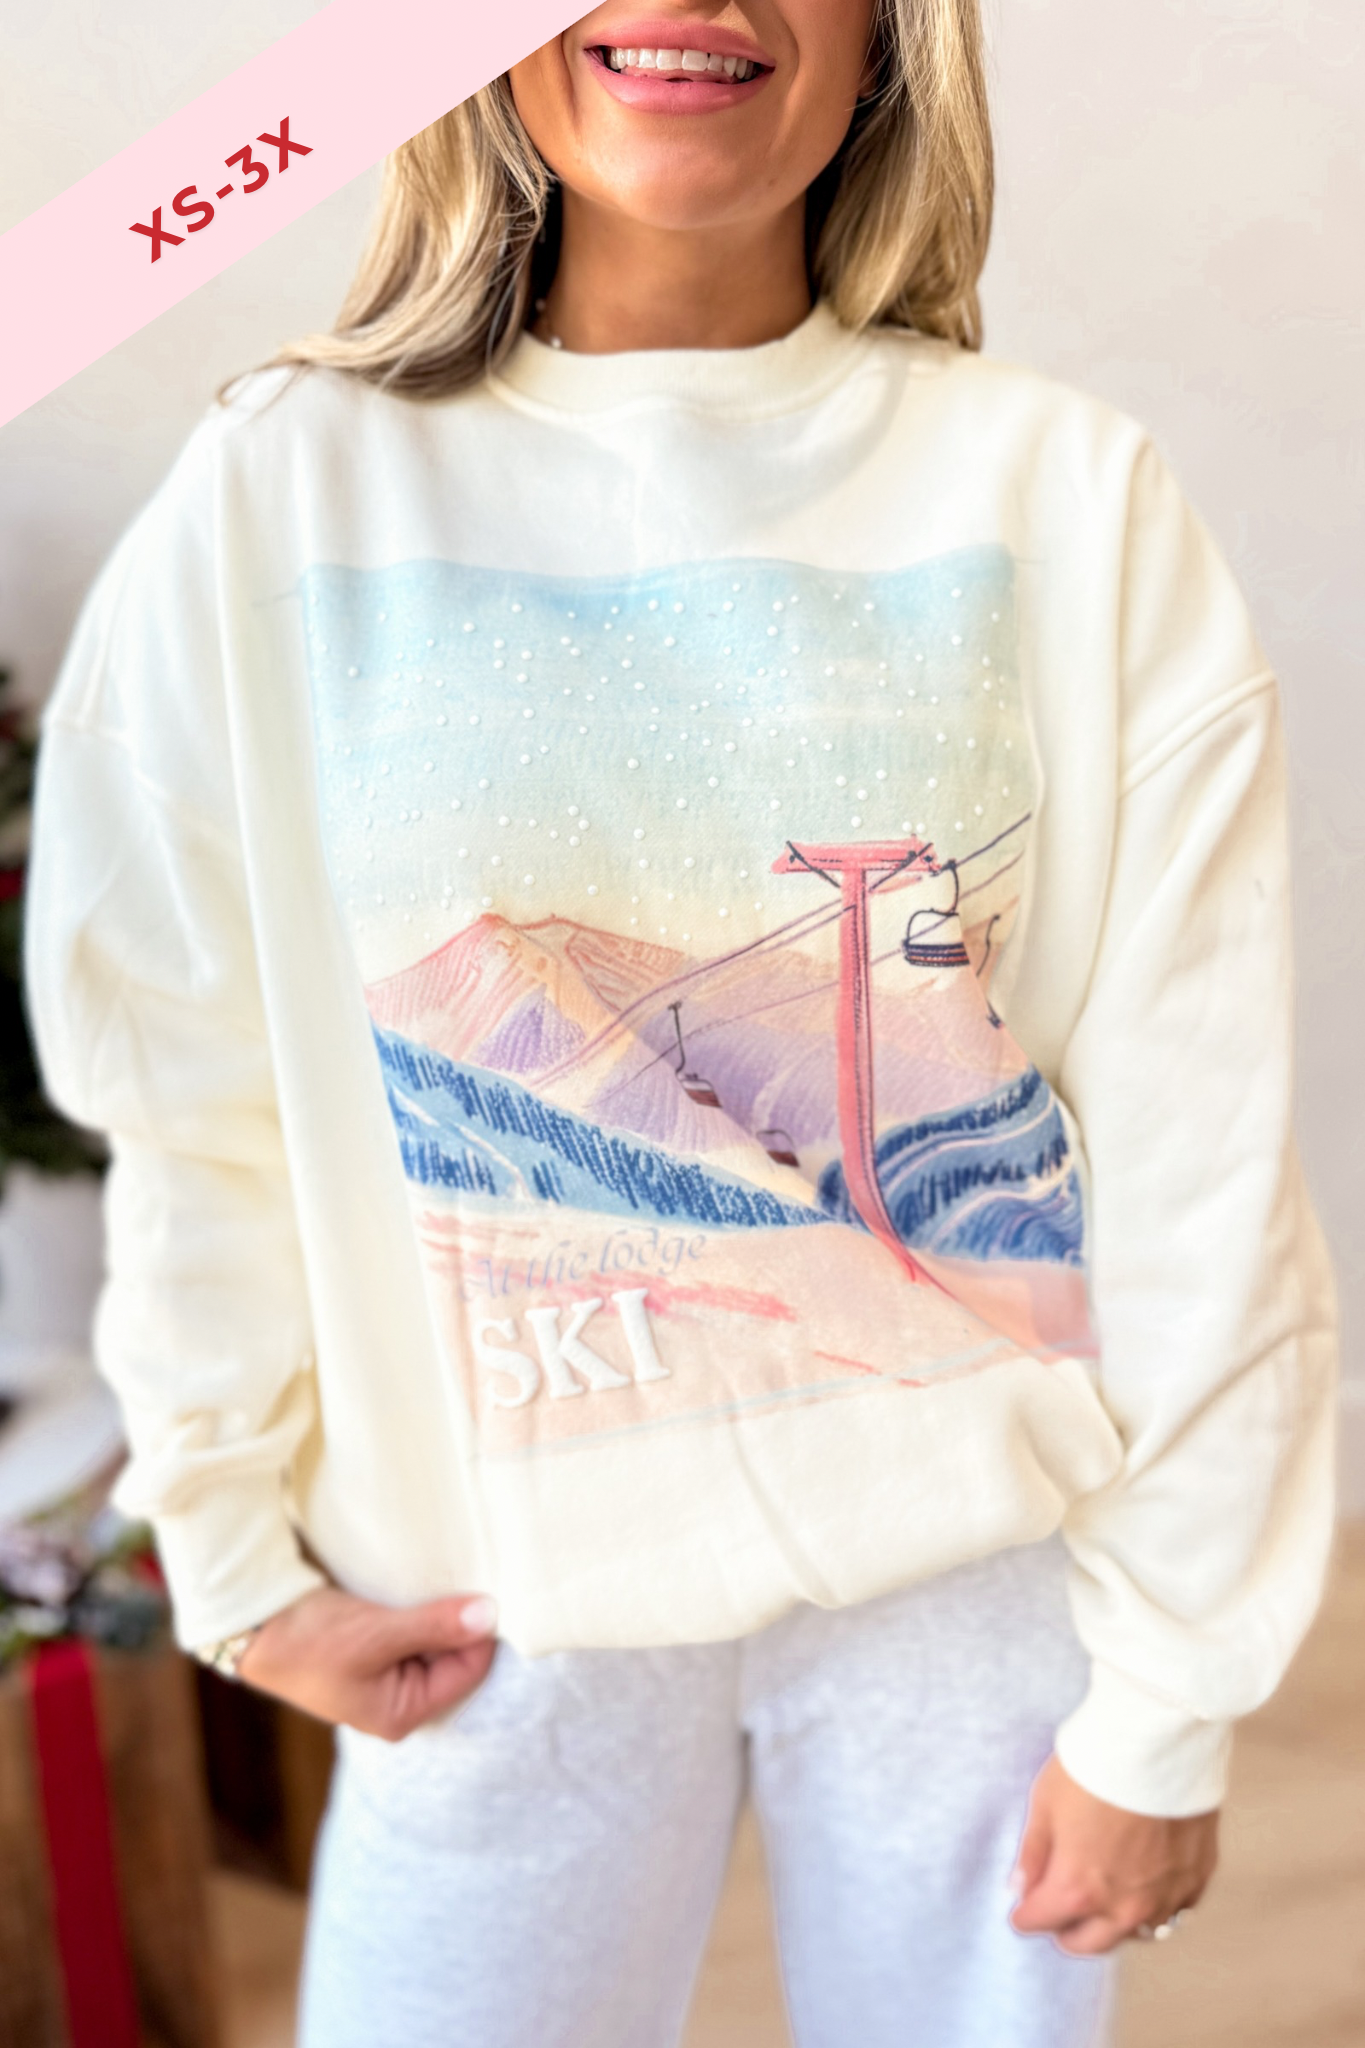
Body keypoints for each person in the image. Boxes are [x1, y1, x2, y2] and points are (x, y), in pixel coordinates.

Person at [26, 4, 1338, 2044]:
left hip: (971, 1583)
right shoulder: (281, 492)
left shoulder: (1063, 496)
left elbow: (1198, 1146)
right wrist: (232, 1553)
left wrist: (1168, 1695)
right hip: (484, 1599)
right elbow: (192, 1090)